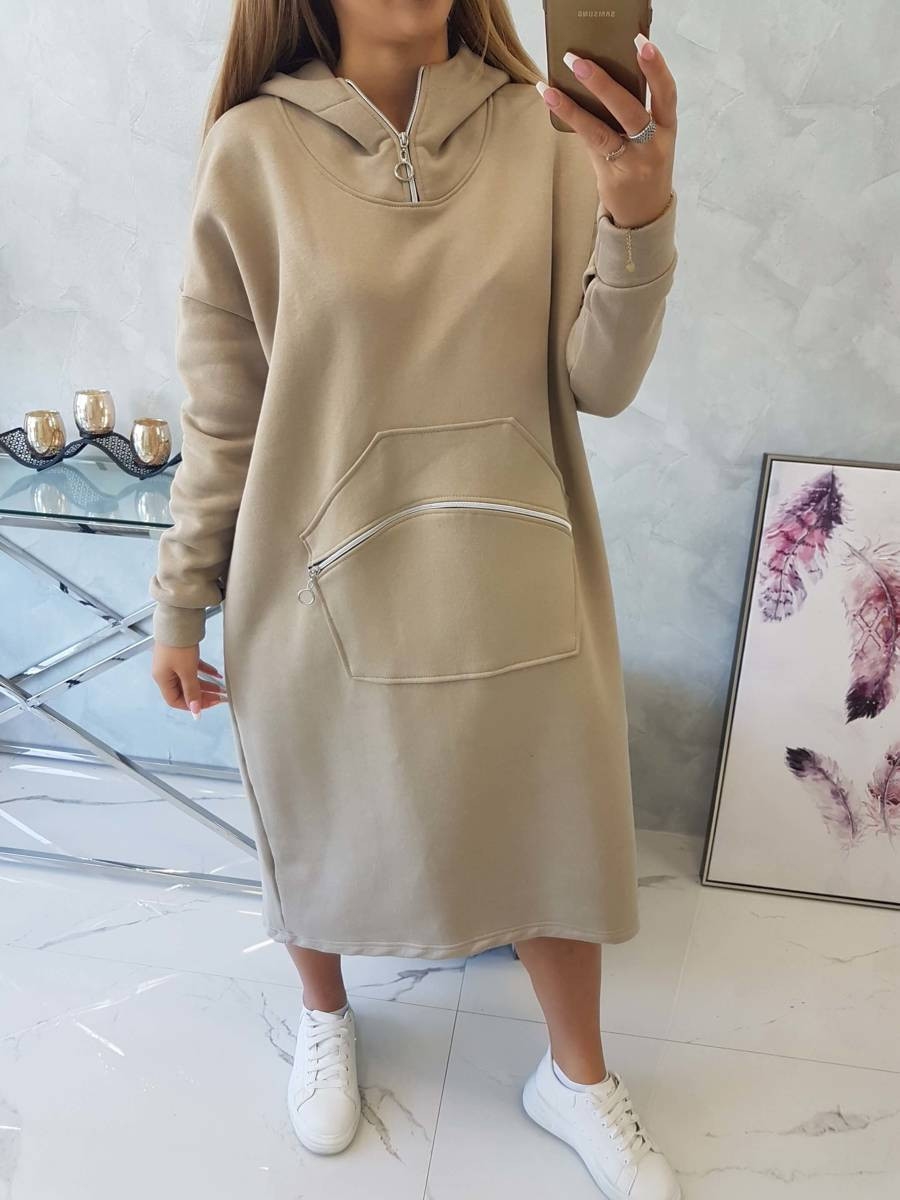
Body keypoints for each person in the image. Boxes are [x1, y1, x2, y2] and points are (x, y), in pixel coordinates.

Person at [149, 1, 680, 1195]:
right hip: (309, 576)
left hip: (516, 560)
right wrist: (180, 599)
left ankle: (577, 1075)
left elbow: (600, 381)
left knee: (550, 812)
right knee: (315, 794)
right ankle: (325, 1015)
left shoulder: (546, 134)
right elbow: (224, 410)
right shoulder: (252, 150)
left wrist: (637, 215)